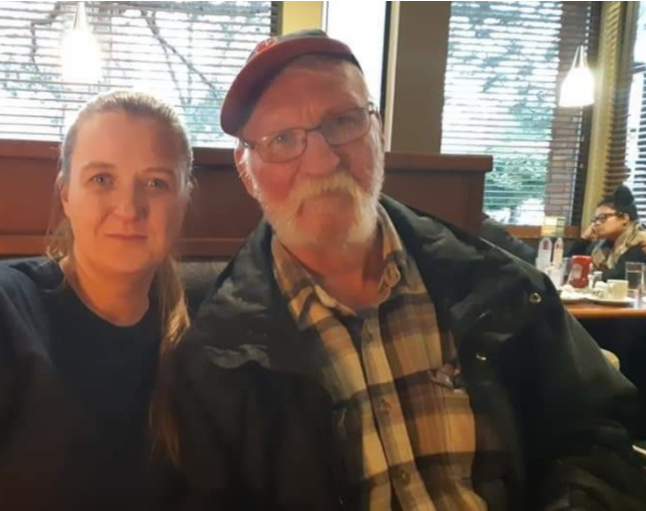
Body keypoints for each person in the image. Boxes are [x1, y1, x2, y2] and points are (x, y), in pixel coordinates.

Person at [171, 30, 646, 511]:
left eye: (343, 121)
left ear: (378, 130)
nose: (321, 160)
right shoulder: (215, 356)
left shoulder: (503, 286)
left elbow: (598, 439)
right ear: (246, 169)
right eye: (281, 139)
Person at [0, 90, 194, 511]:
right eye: (102, 179)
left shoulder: (199, 341)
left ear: (185, 199)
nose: (128, 207)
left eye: (155, 183)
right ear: (66, 195)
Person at [568, 185, 646, 281]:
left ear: (625, 218)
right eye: (595, 219)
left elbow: (619, 275)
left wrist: (589, 275)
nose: (597, 223)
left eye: (603, 218)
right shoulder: (603, 245)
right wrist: (584, 239)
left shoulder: (639, 241)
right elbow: (569, 266)